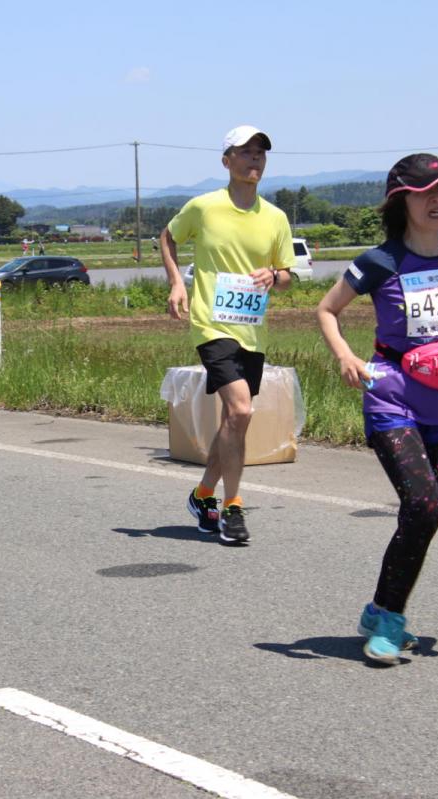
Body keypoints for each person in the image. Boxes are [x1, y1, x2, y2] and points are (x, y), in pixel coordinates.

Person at [316, 153, 438, 665]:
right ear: (401, 200)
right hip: (392, 395)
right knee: (423, 505)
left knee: (423, 517)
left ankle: (381, 610)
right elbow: (327, 310)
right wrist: (346, 357)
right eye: (427, 192)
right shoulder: (379, 260)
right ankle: (390, 622)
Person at [160, 125, 295, 544]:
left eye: (261, 153)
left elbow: (289, 276)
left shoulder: (275, 217)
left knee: (232, 423)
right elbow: (167, 236)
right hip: (211, 324)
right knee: (241, 411)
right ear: (226, 161)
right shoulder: (204, 207)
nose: (255, 159)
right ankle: (233, 508)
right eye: (246, 152)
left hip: (251, 329)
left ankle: (203, 495)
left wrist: (273, 275)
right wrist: (177, 283)